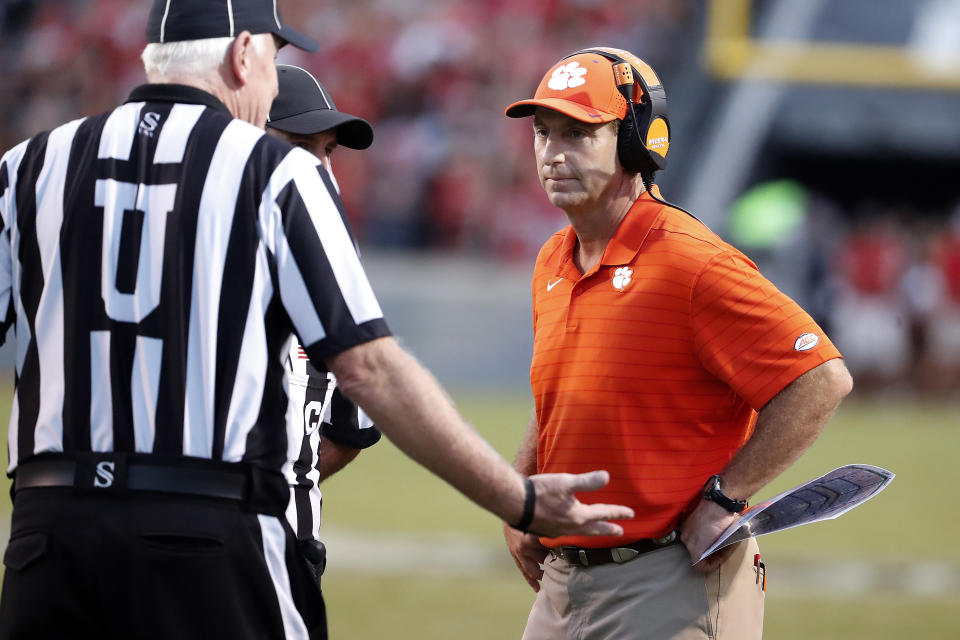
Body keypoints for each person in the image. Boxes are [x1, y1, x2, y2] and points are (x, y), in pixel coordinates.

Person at [0, 3, 635, 637]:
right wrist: (516, 498)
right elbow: (370, 370)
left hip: (47, 531)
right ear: (243, 54)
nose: (273, 82)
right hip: (208, 530)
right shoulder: (275, 171)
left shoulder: (25, 167)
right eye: (274, 61)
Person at [502, 47, 853, 639]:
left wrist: (726, 497)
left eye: (580, 132)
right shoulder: (552, 260)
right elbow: (562, 399)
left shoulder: (691, 262)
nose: (552, 153)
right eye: (544, 132)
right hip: (566, 584)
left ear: (637, 141)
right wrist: (522, 495)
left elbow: (820, 378)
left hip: (671, 581)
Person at [266, 64, 380, 578]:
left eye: (327, 150)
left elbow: (352, 423)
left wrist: (287, 479)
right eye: (298, 143)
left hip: (289, 550)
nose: (318, 165)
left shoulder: (336, 247)